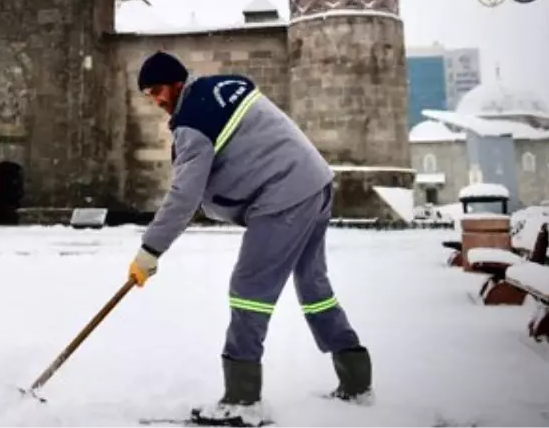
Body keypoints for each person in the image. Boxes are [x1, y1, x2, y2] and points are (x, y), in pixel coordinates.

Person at [127, 50, 372, 427]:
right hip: (314, 182)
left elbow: (184, 196)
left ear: (178, 83)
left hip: (284, 195)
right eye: (148, 95)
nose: (156, 100)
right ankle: (356, 379)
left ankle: (242, 399)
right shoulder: (222, 89)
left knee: (249, 289)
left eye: (158, 90)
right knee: (313, 286)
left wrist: (150, 250)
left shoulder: (194, 121)